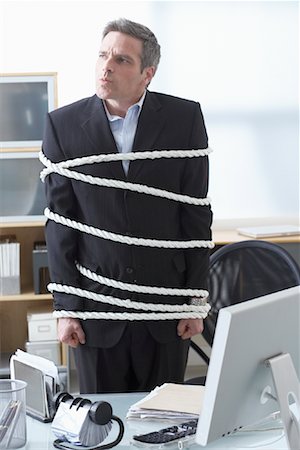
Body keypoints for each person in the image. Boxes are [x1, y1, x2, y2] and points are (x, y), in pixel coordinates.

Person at [42, 18, 213, 393]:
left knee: (165, 425)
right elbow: (60, 224)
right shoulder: (63, 125)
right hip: (96, 313)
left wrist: (194, 301)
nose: (106, 66)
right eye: (103, 54)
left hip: (164, 312)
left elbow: (196, 215)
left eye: (121, 59)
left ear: (147, 73)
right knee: (101, 429)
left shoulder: (184, 120)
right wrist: (66, 307)